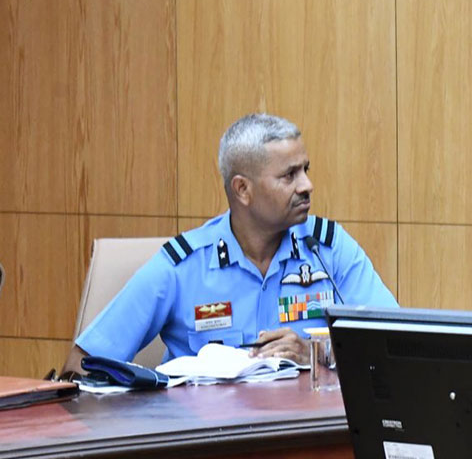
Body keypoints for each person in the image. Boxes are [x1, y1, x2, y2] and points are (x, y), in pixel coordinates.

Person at [71, 113, 398, 368]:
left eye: (305, 170)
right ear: (242, 189)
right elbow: (83, 366)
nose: (307, 185)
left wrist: (316, 352)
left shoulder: (328, 248)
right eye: (289, 175)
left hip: (302, 438)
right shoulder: (184, 265)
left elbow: (391, 344)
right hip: (209, 443)